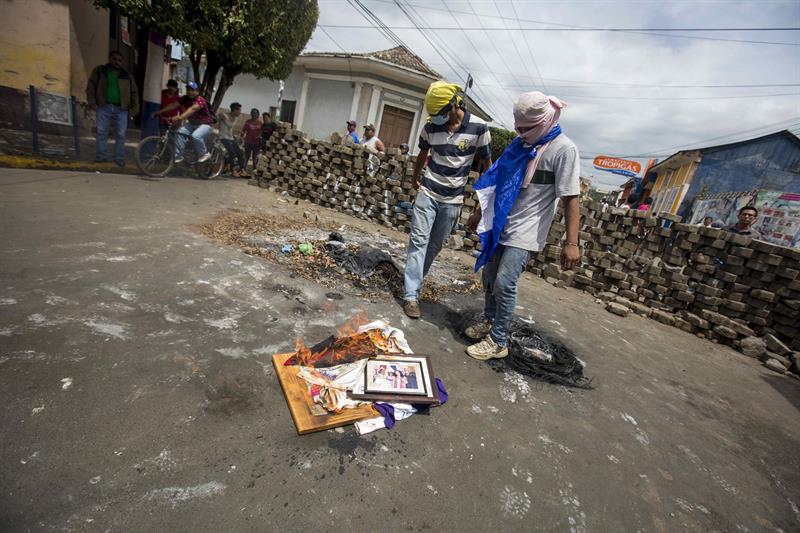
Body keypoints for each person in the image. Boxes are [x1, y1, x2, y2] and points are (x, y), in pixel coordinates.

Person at [463, 91, 581, 360]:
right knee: (490, 278)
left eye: (526, 128)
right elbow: (498, 182)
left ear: (545, 121)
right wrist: (479, 213)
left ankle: (498, 340)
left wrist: (572, 243)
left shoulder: (564, 150)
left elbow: (571, 198)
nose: (520, 131)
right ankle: (490, 320)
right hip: (501, 221)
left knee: (505, 282)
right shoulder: (519, 145)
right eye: (517, 126)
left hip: (527, 229)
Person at [402, 81, 492, 319]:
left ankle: (415, 281)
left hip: (452, 200)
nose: (438, 118)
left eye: (442, 113)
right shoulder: (431, 127)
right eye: (434, 115)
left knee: (434, 245)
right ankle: (411, 296)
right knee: (418, 242)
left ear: (454, 104)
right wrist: (415, 179)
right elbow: (422, 154)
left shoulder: (479, 128)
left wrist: (481, 204)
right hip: (428, 192)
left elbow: (487, 166)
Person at [86, 50, 140, 166]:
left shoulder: (126, 75)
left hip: (121, 109)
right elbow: (91, 86)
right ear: (110, 59)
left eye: (119, 60)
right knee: (101, 132)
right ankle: (101, 156)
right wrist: (92, 101)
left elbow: (134, 92)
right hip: (104, 106)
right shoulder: (100, 71)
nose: (116, 62)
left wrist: (134, 109)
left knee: (120, 134)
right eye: (114, 59)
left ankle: (119, 157)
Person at [152, 81, 215, 163]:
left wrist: (180, 117)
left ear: (197, 91)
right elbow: (173, 105)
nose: (190, 92)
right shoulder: (185, 98)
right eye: (188, 89)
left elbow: (192, 109)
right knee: (179, 132)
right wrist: (159, 112)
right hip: (192, 124)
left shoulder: (200, 100)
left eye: (192, 90)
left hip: (206, 125)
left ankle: (204, 154)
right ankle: (178, 156)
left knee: (195, 136)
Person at [218, 102, 244, 177]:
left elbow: (230, 129)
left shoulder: (236, 118)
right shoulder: (224, 115)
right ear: (234, 110)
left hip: (230, 138)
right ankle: (232, 170)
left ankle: (241, 170)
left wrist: (234, 136)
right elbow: (215, 121)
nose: (240, 112)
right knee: (232, 152)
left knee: (240, 152)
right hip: (223, 138)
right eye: (239, 110)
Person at [242, 108, 262, 173]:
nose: (254, 114)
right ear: (251, 114)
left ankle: (254, 170)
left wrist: (259, 136)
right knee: (246, 156)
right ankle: (243, 169)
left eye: (255, 113)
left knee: (255, 157)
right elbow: (243, 130)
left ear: (258, 114)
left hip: (256, 143)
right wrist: (242, 136)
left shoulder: (260, 123)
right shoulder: (248, 122)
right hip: (248, 142)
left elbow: (262, 132)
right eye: (253, 113)